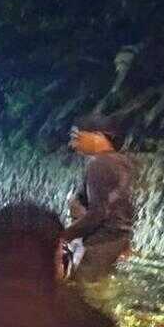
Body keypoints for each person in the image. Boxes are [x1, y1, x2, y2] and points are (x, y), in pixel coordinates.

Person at [64, 114, 136, 282]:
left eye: (76, 137)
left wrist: (64, 236)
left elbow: (97, 213)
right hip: (116, 241)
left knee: (83, 292)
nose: (72, 144)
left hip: (98, 244)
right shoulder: (123, 163)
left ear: (97, 136)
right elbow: (124, 207)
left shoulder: (99, 165)